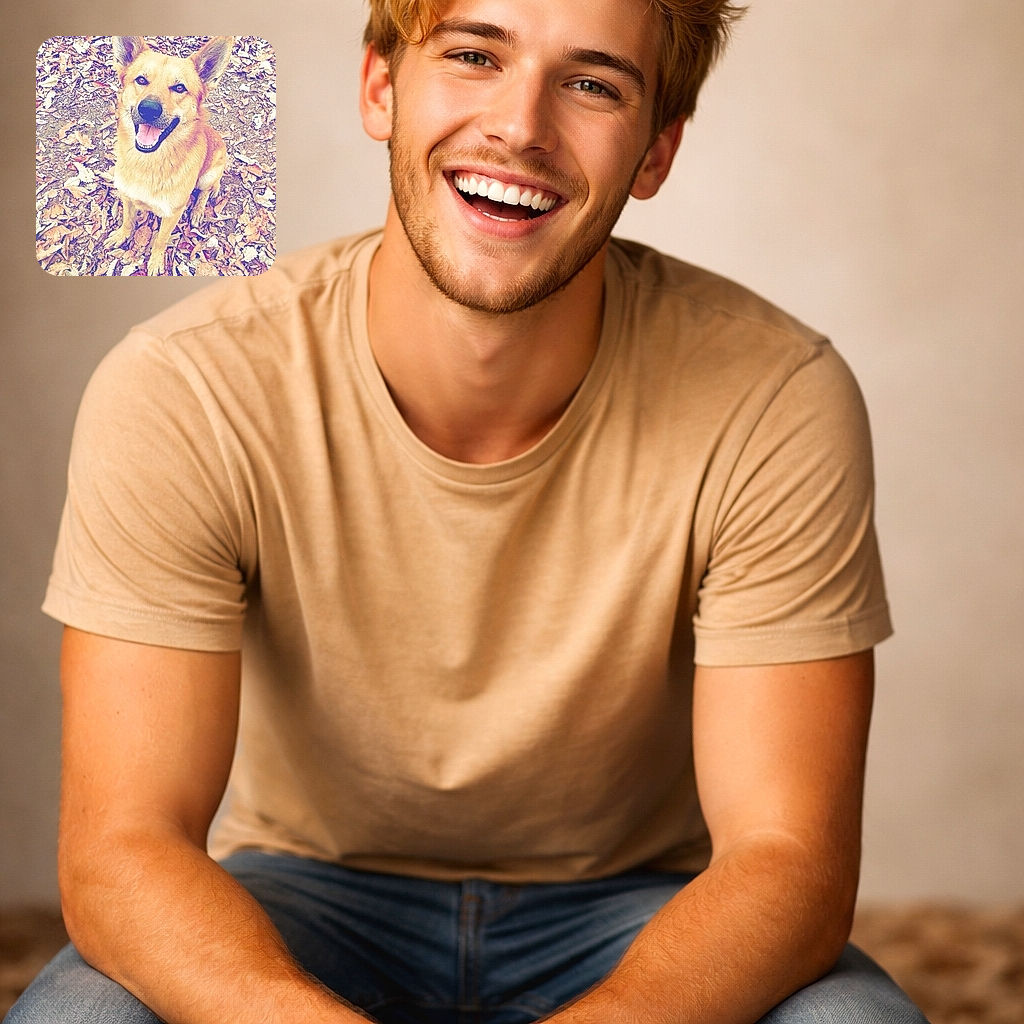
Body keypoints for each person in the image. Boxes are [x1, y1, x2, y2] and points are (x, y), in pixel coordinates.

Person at [9, 1, 928, 1022]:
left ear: (657, 149)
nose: (519, 125)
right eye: (473, 55)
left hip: (638, 911)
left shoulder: (775, 393)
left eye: (591, 84)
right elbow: (121, 849)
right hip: (302, 897)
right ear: (379, 87)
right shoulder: (183, 386)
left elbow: (786, 859)